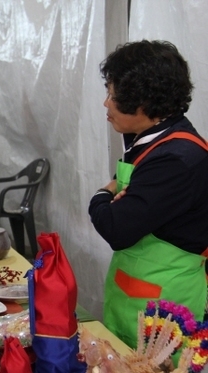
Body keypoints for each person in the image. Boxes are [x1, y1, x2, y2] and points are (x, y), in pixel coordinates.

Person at [88, 40, 208, 349]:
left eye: (112, 96)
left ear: (142, 102)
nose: (106, 104)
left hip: (163, 308)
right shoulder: (148, 140)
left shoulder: (177, 159)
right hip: (132, 297)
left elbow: (116, 227)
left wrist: (102, 194)